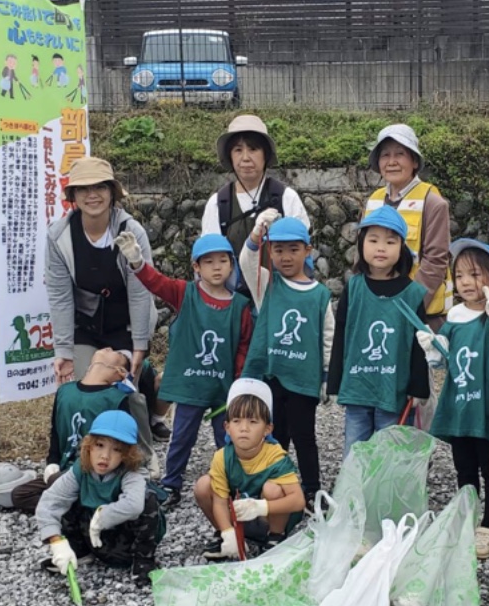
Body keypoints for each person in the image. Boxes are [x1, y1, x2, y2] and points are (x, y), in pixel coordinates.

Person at [114, 232, 253, 508]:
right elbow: (157, 283)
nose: (216, 267)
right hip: (190, 386)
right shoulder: (185, 293)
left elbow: (243, 347)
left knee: (227, 439)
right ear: (196, 267)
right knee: (181, 438)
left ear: (232, 265)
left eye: (223, 261)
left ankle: (231, 486)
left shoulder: (241, 306)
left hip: (221, 389)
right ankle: (171, 484)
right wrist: (138, 262)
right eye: (208, 261)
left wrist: (238, 383)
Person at [414, 240, 489, 560]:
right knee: (463, 468)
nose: (465, 282)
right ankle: (465, 520)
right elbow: (441, 363)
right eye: (459, 275)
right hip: (459, 406)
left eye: (474, 274)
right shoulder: (455, 317)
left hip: (488, 407)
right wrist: (431, 346)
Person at [240, 214, 334, 504]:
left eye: (294, 249)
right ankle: (275, 482)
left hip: (304, 379)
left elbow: (328, 336)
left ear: (308, 250)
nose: (285, 256)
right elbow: (247, 261)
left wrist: (328, 376)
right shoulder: (267, 284)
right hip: (271, 376)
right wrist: (257, 234)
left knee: (304, 435)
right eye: (278, 250)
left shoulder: (320, 294)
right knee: (274, 433)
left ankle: (311, 488)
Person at [363, 123, 452, 433]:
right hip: (380, 310)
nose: (391, 161)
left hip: (420, 316)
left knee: (420, 389)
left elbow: (436, 258)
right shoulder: (373, 201)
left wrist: (411, 304)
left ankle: (416, 455)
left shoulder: (432, 201)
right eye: (385, 154)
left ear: (414, 160)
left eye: (399, 154)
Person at [326, 206, 430, 454]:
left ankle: (385, 493)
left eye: (390, 241)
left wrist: (418, 388)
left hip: (393, 387)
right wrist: (335, 382)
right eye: (373, 240)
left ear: (402, 247)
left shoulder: (413, 293)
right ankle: (353, 492)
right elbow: (342, 334)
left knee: (389, 451)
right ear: (361, 245)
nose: (381, 247)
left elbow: (420, 344)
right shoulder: (354, 288)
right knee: (355, 449)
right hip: (358, 386)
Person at [45, 156, 153, 383]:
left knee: (118, 388)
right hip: (84, 328)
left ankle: (148, 398)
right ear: (73, 196)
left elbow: (141, 291)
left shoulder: (131, 232)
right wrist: (63, 351)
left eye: (100, 187)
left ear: (112, 192)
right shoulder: (59, 235)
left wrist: (139, 346)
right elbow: (60, 296)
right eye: (83, 189)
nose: (92, 194)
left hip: (126, 329)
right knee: (84, 386)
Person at [11, 347, 154, 514]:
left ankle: (82, 505)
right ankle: (81, 508)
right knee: (20, 495)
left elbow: (126, 446)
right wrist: (52, 462)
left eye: (117, 353)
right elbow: (56, 432)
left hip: (99, 472)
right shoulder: (65, 391)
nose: (108, 348)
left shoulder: (117, 399)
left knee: (59, 483)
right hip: (67, 468)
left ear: (119, 372)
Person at [36, 410, 165, 588]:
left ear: (127, 454)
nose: (105, 455)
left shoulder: (132, 473)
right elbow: (50, 502)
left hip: (124, 540)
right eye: (99, 445)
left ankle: (143, 561)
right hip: (90, 535)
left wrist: (104, 515)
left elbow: (134, 505)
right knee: (62, 488)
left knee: (147, 499)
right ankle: (78, 551)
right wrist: (56, 540)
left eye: (117, 449)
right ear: (89, 446)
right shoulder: (81, 470)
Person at [194, 378, 306, 559]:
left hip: (269, 516)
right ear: (227, 427)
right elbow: (220, 501)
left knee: (272, 488)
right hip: (238, 516)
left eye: (253, 422)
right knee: (203, 485)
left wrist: (261, 507)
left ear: (267, 429)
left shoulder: (276, 456)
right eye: (237, 421)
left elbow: (298, 501)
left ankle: (275, 537)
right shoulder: (222, 456)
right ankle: (226, 535)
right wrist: (228, 531)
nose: (244, 428)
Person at [201, 115, 310, 285]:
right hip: (235, 302)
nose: (245, 158)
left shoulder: (286, 198)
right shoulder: (218, 203)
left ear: (265, 155)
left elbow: (302, 252)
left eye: (253, 149)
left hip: (279, 298)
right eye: (238, 150)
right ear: (230, 156)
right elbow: (209, 256)